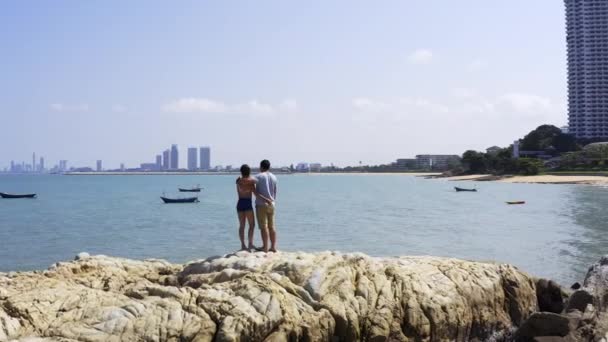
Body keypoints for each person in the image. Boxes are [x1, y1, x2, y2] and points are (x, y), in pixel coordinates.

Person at [255, 159, 278, 252]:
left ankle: (265, 247)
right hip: (272, 204)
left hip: (261, 204)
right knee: (271, 226)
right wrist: (272, 200)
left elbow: (255, 191)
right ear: (269, 167)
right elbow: (275, 191)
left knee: (263, 226)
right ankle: (273, 247)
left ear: (261, 167)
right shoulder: (274, 177)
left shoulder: (258, 176)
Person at [235, 164, 257, 251]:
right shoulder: (251, 181)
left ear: (241, 172)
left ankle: (243, 245)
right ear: (249, 172)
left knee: (242, 225)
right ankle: (250, 244)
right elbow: (255, 193)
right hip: (247, 203)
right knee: (252, 225)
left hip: (240, 203)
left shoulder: (238, 181)